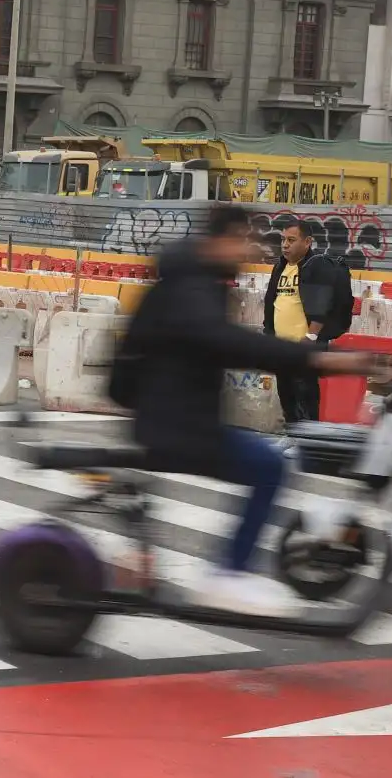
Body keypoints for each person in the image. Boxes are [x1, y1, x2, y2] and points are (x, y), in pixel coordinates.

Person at [109, 205, 372, 616]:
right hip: (176, 424)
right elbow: (227, 341)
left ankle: (214, 570)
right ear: (221, 239)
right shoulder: (192, 287)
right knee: (268, 464)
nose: (249, 247)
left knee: (265, 461)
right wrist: (315, 360)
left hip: (175, 417)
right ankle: (228, 574)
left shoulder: (192, 280)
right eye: (242, 238)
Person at [262, 219, 354, 424]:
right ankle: (292, 436)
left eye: (291, 240)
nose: (285, 245)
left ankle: (308, 444)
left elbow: (322, 305)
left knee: (306, 398)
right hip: (281, 346)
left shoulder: (315, 266)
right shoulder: (280, 267)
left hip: (303, 347)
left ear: (307, 242)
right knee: (286, 396)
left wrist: (311, 337)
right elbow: (272, 301)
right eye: (283, 240)